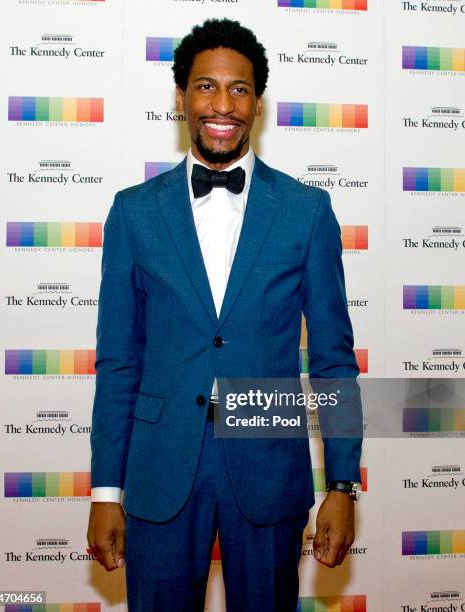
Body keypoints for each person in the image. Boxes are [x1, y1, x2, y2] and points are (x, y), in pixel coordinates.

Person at [87, 18, 362, 612]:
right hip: (160, 472)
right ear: (182, 97)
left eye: (239, 89)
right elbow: (118, 363)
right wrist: (106, 490)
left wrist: (342, 485)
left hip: (268, 466)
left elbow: (335, 361)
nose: (222, 104)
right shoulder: (133, 213)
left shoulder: (307, 211)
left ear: (257, 102)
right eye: (206, 86)